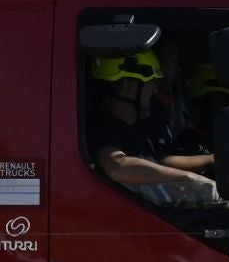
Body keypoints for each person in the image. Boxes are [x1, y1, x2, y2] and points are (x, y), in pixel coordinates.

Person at [87, 49, 218, 205]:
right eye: (150, 83)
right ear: (128, 86)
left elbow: (157, 164)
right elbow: (116, 165)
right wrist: (188, 179)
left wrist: (212, 160)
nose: (155, 90)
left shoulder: (135, 129)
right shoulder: (104, 128)